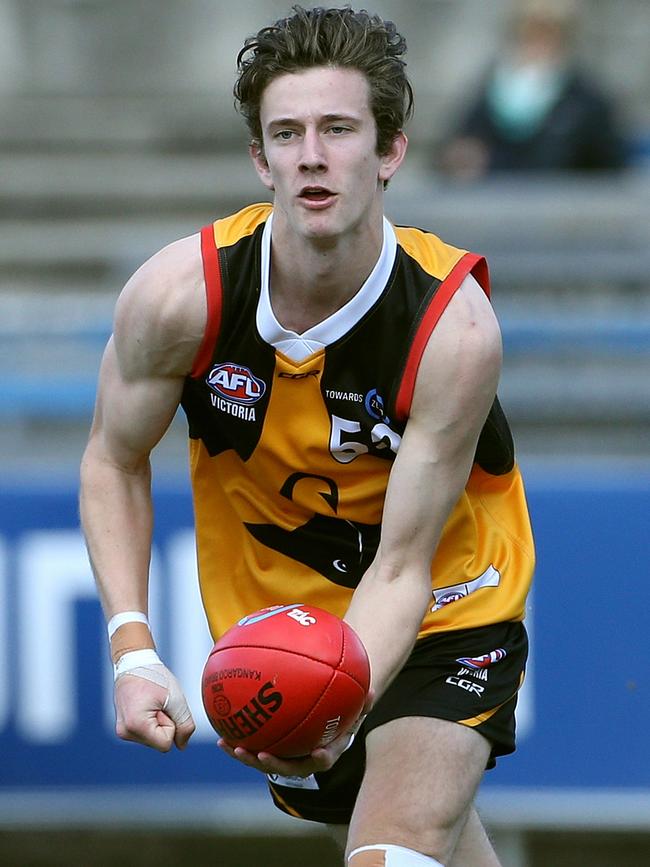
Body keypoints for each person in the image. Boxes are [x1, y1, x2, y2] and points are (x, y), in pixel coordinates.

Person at [80, 7, 535, 866]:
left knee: (393, 848)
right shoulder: (181, 296)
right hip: (278, 627)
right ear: (260, 158)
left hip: (446, 601)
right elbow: (112, 456)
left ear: (389, 150)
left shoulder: (452, 328)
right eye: (285, 133)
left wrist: (348, 695)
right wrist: (131, 651)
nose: (312, 155)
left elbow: (401, 564)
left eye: (338, 129)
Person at [439, 0, 626, 180]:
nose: (537, 44)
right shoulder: (490, 90)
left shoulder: (586, 99)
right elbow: (455, 147)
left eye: (548, 34)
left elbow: (610, 168)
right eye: (529, 33)